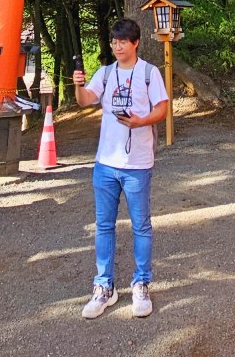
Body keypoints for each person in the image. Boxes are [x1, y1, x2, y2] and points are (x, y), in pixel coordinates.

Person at [72, 18, 172, 320]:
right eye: (114, 42)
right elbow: (85, 101)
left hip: (137, 164)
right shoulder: (105, 73)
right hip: (105, 163)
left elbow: (162, 107)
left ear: (135, 43)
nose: (117, 47)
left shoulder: (148, 73)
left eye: (123, 42)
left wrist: (141, 121)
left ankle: (141, 283)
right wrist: (79, 86)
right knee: (103, 226)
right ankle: (104, 287)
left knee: (141, 226)